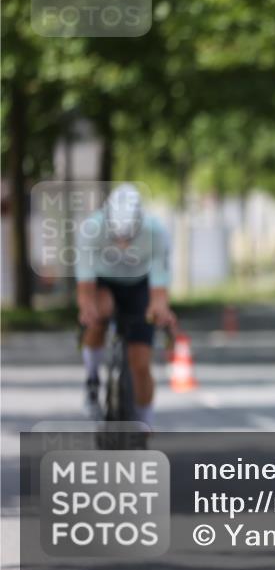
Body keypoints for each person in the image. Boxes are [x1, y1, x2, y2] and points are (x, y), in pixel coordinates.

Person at [75, 183, 175, 429]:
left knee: (140, 363)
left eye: (128, 237)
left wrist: (159, 309)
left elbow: (159, 287)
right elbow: (85, 285)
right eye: (116, 237)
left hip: (139, 284)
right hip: (103, 281)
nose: (122, 244)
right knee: (98, 314)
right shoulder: (91, 229)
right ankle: (92, 378)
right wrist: (88, 309)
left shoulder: (156, 231)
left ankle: (145, 423)